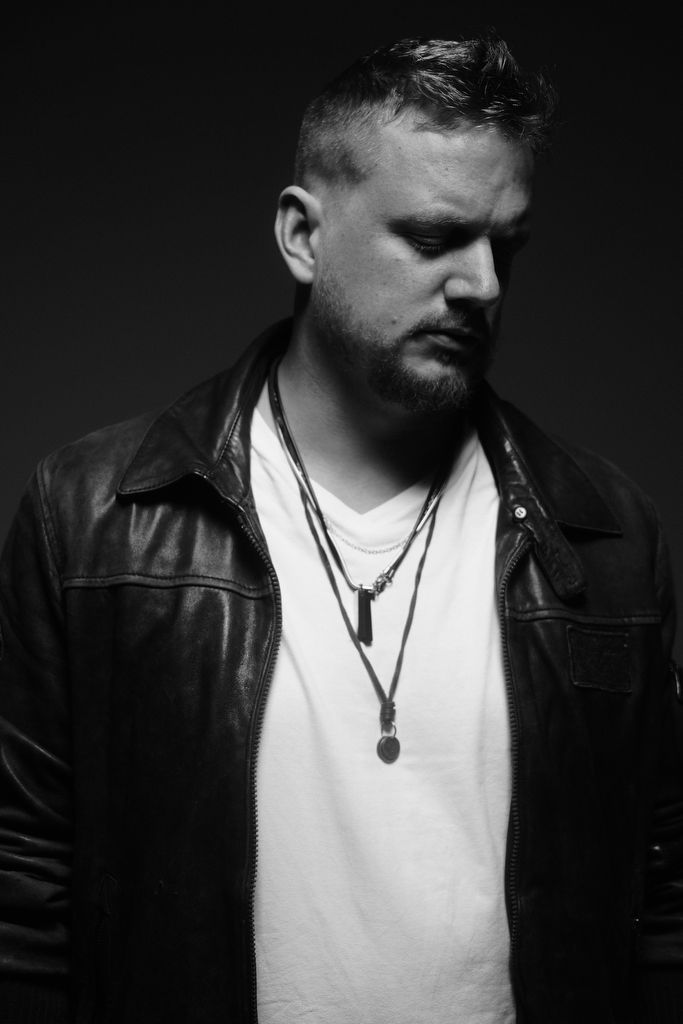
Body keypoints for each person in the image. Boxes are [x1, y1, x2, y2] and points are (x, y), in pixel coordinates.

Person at [0, 33, 681, 1024]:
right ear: (301, 236)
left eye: (504, 246)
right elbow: (21, 896)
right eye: (434, 238)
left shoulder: (605, 533)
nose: (483, 285)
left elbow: (662, 892)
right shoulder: (96, 514)